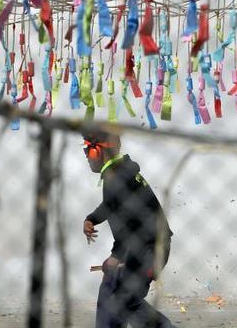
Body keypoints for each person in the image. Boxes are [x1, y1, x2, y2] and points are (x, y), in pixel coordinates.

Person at [81, 128, 176, 328]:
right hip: (141, 248)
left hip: (151, 249)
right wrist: (91, 219)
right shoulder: (119, 172)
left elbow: (128, 225)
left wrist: (116, 256)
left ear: (96, 151)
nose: (86, 158)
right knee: (111, 292)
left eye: (86, 151)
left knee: (125, 301)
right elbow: (111, 205)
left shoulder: (115, 178)